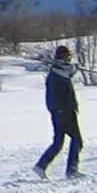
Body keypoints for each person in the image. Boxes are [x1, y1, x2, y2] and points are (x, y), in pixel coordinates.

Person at [34, 45, 83, 179]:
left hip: (60, 113)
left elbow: (68, 73)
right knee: (77, 140)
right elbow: (54, 97)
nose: (69, 59)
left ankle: (41, 165)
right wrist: (61, 111)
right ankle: (72, 170)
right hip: (65, 112)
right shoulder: (57, 75)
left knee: (58, 143)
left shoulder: (58, 72)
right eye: (68, 57)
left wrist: (74, 69)